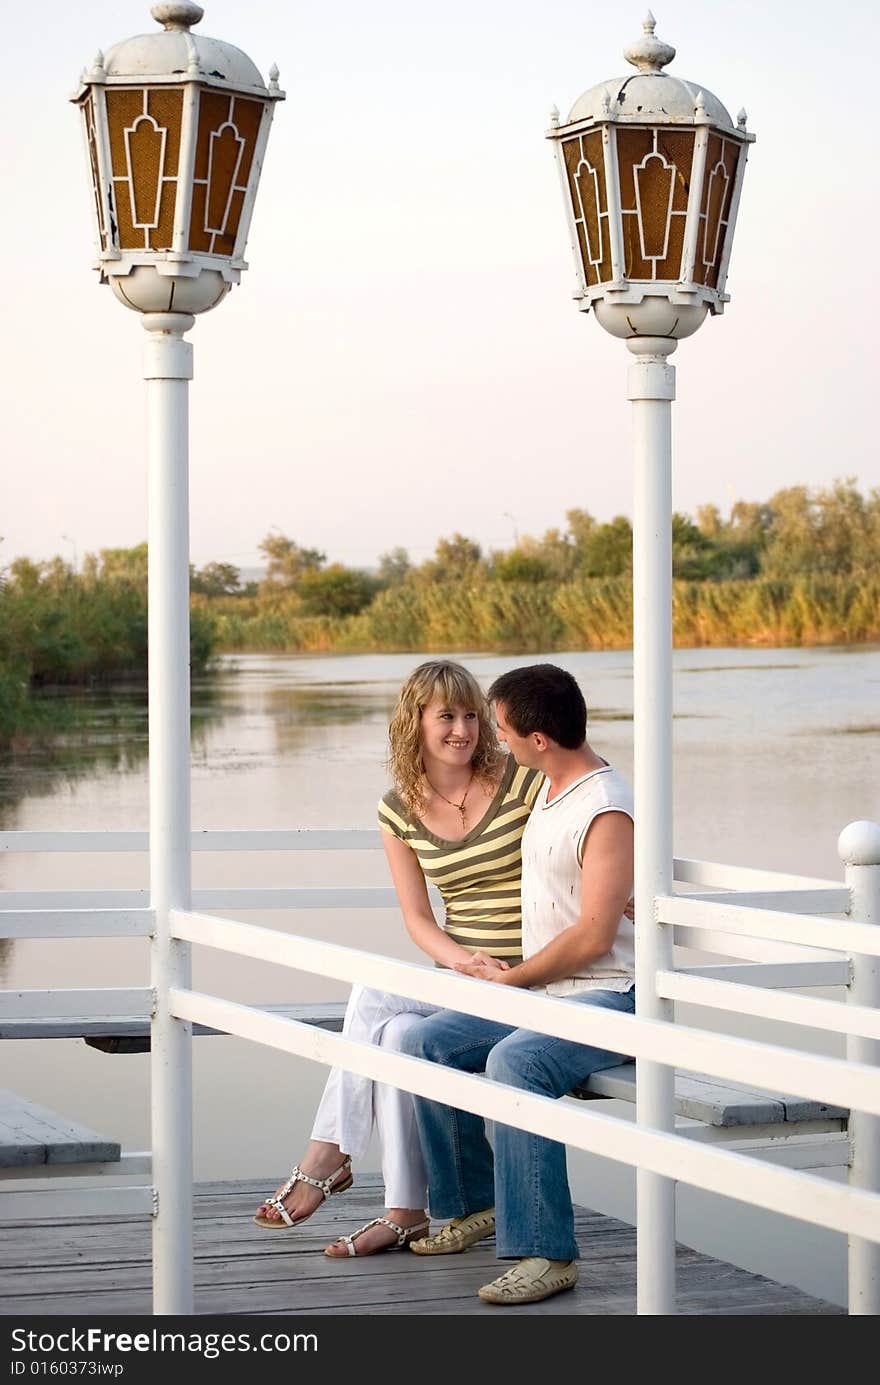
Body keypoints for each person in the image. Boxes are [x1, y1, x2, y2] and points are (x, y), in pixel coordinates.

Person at [254, 660, 543, 1256]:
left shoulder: (522, 780)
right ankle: (407, 1211)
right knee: (398, 1032)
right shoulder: (398, 809)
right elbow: (418, 919)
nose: (463, 729)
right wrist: (462, 961)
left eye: (471, 715)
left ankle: (326, 1155)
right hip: (467, 977)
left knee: (372, 993)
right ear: (415, 722)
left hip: (535, 978)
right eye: (446, 717)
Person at [400, 663, 635, 1304]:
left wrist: (514, 982)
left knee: (517, 1060)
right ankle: (477, 1205)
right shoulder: (550, 792)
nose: (493, 742)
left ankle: (548, 1252)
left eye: (501, 731)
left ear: (538, 740)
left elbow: (594, 940)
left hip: (613, 994)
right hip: (553, 993)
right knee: (424, 1045)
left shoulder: (604, 806)